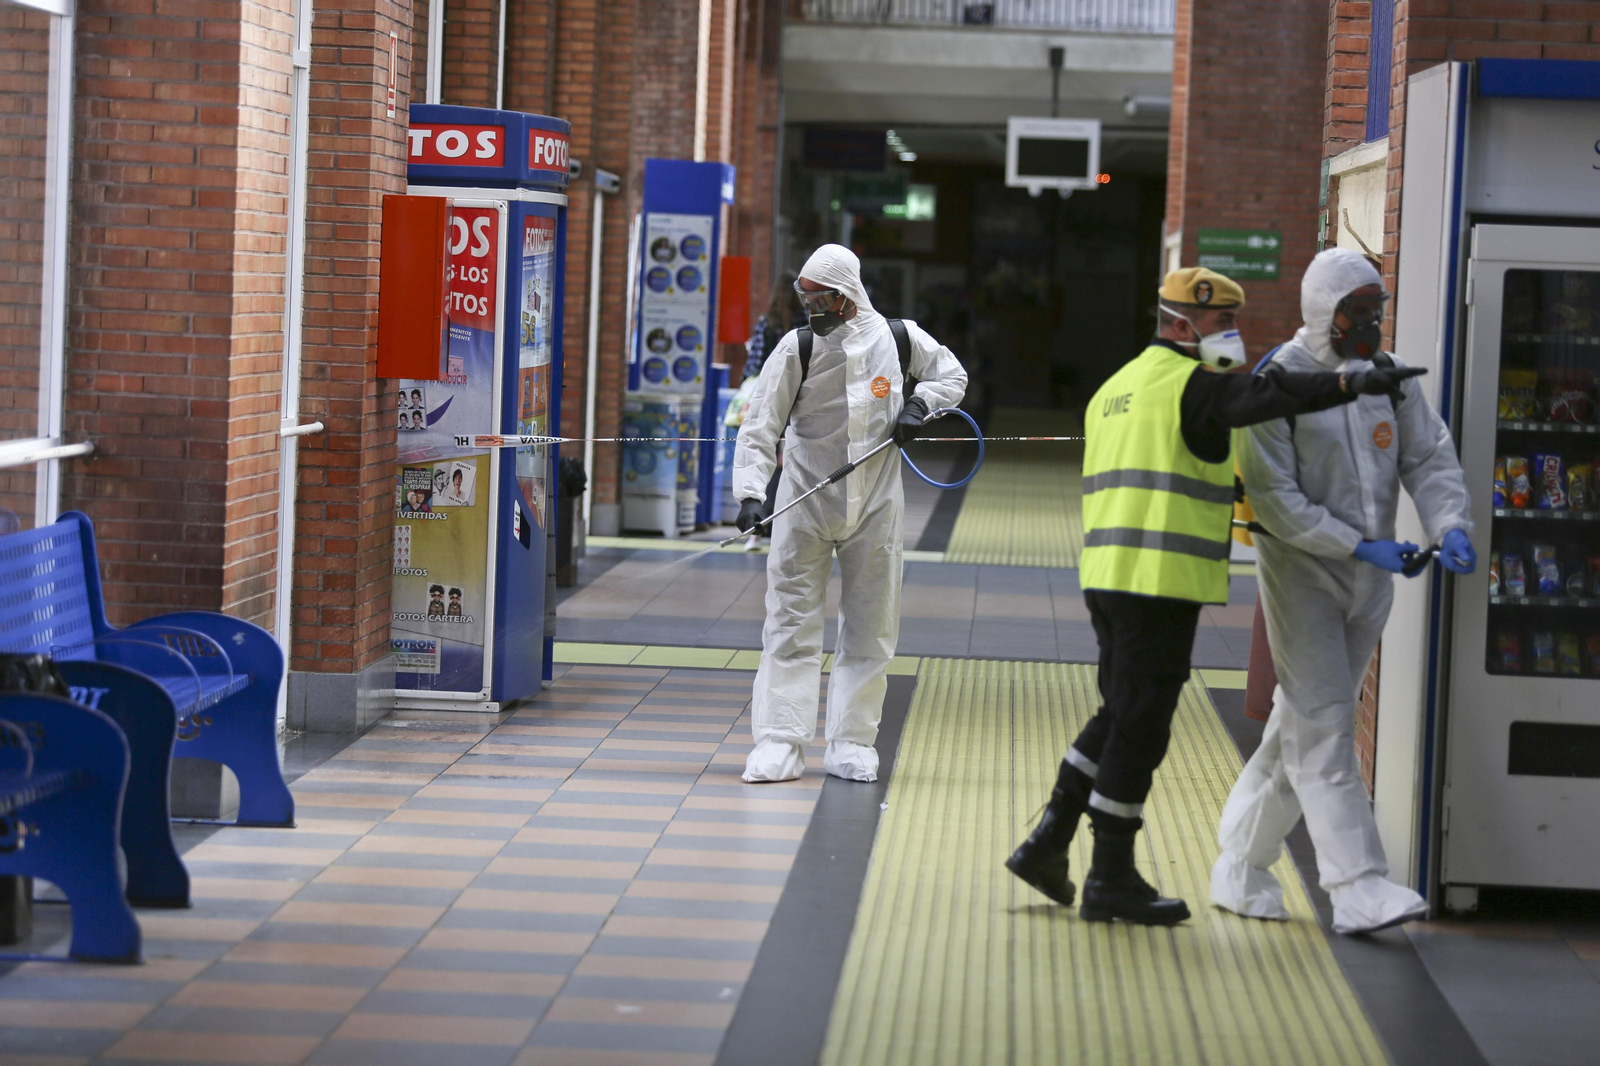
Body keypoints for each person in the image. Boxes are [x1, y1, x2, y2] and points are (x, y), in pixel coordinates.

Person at [1005, 266, 1429, 925]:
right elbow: (1265, 399)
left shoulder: (1115, 388)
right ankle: (1109, 877)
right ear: (1182, 325)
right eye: (1217, 324)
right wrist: (1352, 381)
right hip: (1161, 584)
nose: (1229, 335)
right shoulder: (1193, 389)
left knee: (1118, 713)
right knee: (1141, 730)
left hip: (1107, 576)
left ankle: (1049, 841)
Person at [1211, 248, 1474, 935]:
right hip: (1302, 578)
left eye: (1377, 310)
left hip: (1370, 583)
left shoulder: (1387, 379)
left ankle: (1239, 865)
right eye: (1357, 311)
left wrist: (1450, 525)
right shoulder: (1278, 382)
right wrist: (1357, 543)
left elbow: (1428, 454)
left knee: (1299, 726)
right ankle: (1357, 887)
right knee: (1326, 729)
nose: (1371, 324)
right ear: (1324, 309)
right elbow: (1276, 501)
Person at [732, 245, 967, 783]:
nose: (810, 304)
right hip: (805, 502)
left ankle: (852, 743)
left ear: (847, 295)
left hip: (878, 505)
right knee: (789, 624)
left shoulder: (901, 339)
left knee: (871, 627)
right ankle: (780, 743)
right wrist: (750, 493)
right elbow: (761, 424)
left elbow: (951, 376)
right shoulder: (798, 347)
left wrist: (918, 406)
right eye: (805, 295)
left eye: (819, 297)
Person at [730, 271, 800, 550]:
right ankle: (786, 526)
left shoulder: (766, 323)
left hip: (769, 401)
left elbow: (755, 365)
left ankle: (756, 532)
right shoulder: (805, 324)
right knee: (791, 462)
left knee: (762, 457)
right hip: (796, 402)